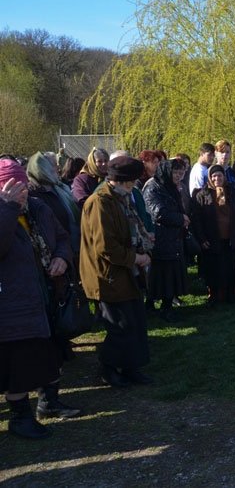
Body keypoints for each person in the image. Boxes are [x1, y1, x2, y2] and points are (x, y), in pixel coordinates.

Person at [1, 159, 75, 438]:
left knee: (51, 351)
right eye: (13, 187)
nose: (21, 193)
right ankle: (20, 418)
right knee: (18, 363)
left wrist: (61, 257)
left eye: (23, 186)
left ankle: (49, 402)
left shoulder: (38, 208)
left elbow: (62, 236)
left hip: (46, 292)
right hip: (13, 304)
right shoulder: (5, 212)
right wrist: (7, 209)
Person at [80, 156, 154, 387]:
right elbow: (105, 247)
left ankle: (131, 367)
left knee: (135, 322)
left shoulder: (121, 199)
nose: (133, 187)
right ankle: (109, 369)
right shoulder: (100, 202)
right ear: (119, 181)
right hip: (108, 275)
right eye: (131, 182)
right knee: (119, 326)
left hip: (126, 273)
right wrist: (136, 258)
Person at [191, 165, 235, 304]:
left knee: (230, 266)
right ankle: (214, 295)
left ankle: (230, 293)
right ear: (209, 178)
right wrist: (202, 239)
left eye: (219, 175)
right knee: (213, 267)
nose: (217, 178)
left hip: (231, 237)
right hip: (212, 238)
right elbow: (197, 220)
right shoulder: (202, 194)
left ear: (224, 177)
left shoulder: (233, 192)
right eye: (213, 176)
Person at [143, 159, 190, 322]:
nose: (178, 176)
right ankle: (157, 306)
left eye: (181, 172)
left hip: (173, 238)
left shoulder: (171, 187)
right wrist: (180, 218)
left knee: (170, 274)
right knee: (161, 275)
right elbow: (158, 213)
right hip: (160, 238)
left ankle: (167, 305)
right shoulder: (153, 187)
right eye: (175, 172)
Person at [27, 151, 82, 257]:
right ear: (42, 168)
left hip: (71, 247)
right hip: (55, 254)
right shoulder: (32, 193)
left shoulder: (60, 187)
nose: (59, 168)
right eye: (54, 165)